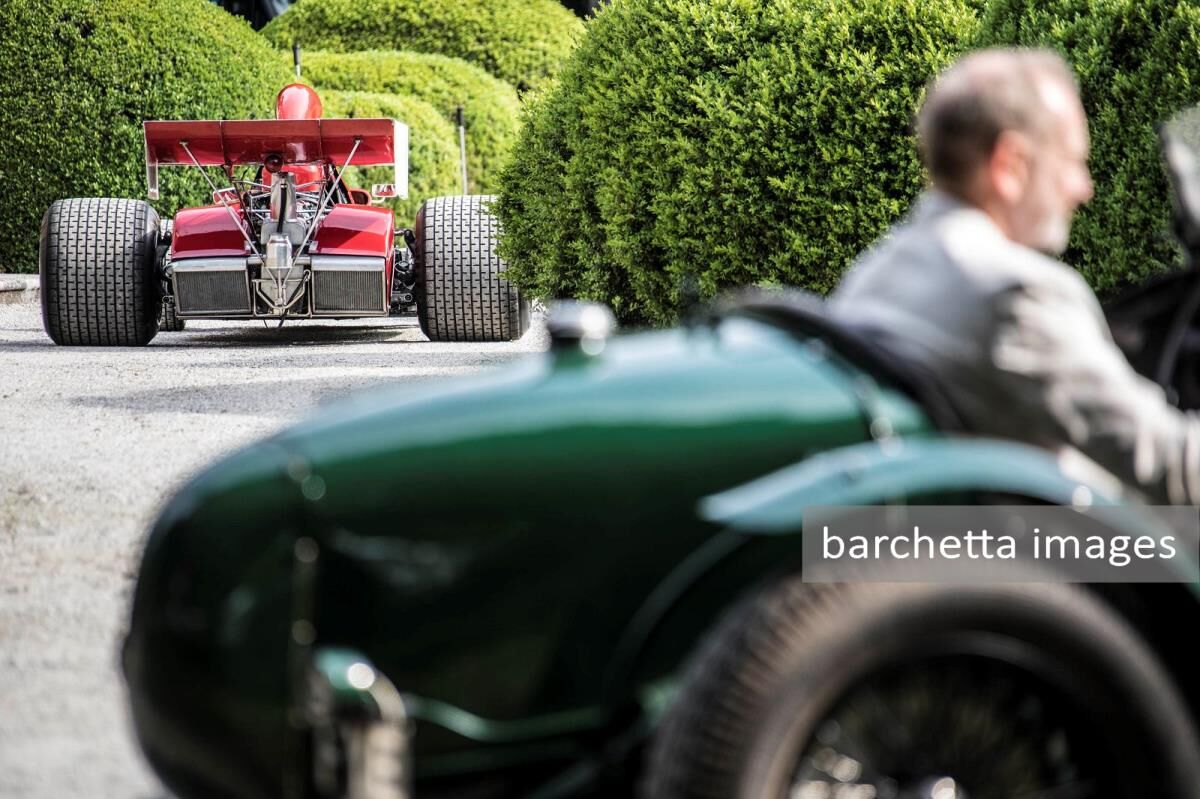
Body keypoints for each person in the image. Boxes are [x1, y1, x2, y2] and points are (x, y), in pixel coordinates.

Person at [829, 47, 1200, 505]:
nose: (1083, 189)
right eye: (1070, 162)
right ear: (1011, 166)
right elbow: (1167, 462)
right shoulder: (1016, 294)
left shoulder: (876, 271)